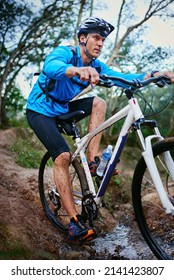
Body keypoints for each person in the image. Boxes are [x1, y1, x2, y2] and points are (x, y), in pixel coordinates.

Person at [26, 17, 174, 242]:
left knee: (99, 103)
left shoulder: (97, 66)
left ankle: (92, 161)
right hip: (40, 111)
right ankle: (75, 223)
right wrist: (76, 70)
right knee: (63, 156)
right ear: (83, 38)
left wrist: (156, 74)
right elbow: (52, 67)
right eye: (96, 37)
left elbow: (125, 79)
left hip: (63, 107)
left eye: (103, 40)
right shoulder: (66, 53)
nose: (100, 43)